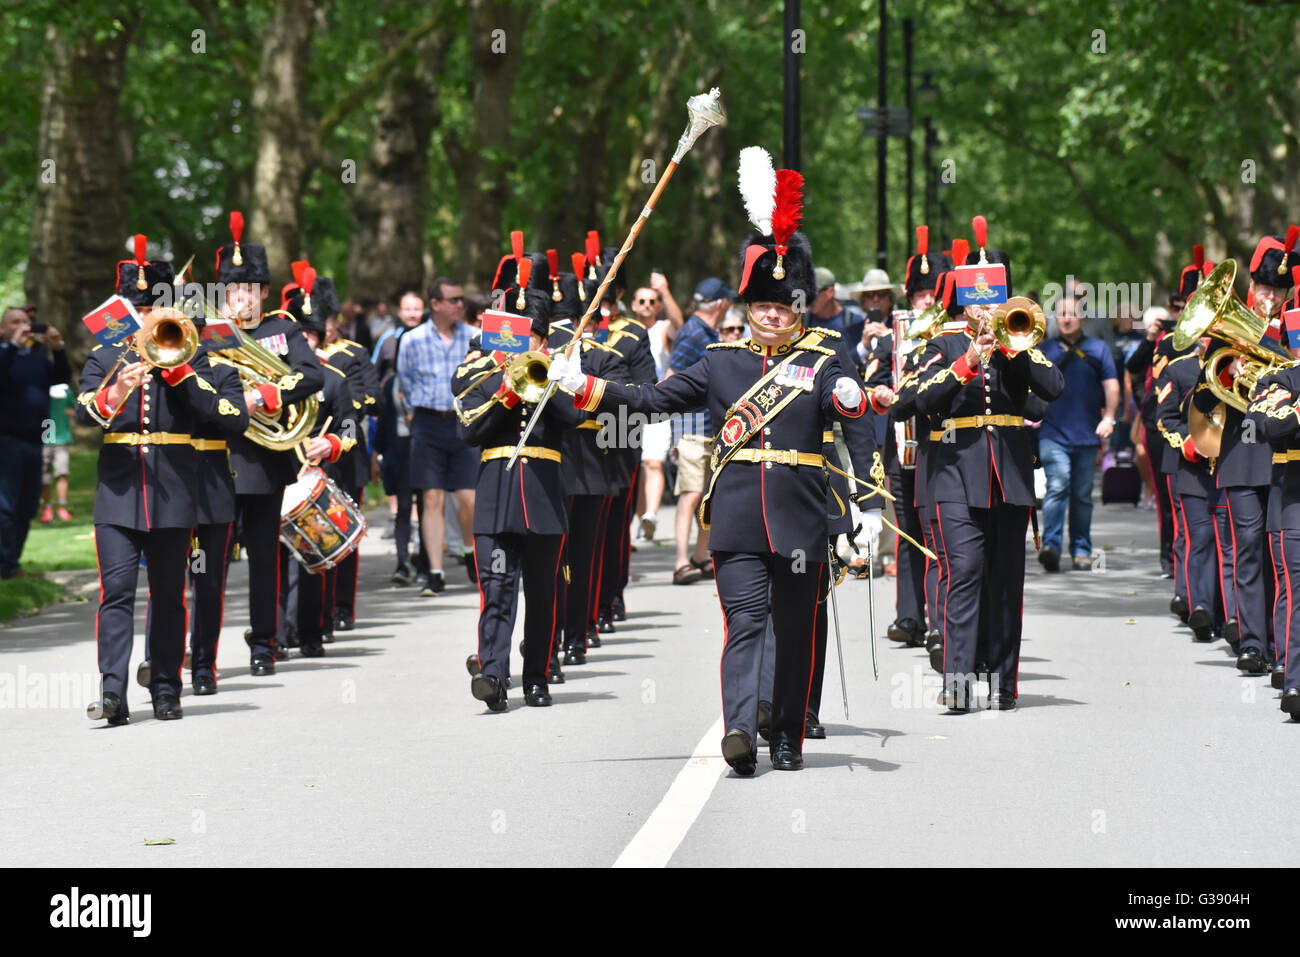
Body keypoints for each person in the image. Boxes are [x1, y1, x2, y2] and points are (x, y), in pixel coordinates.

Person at [548, 149, 871, 773]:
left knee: (797, 629)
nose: (772, 315)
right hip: (739, 517)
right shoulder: (721, 363)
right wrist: (583, 386)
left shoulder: (822, 359)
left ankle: (787, 737)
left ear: (797, 309)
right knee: (746, 621)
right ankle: (742, 732)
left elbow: (843, 401)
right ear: (750, 307)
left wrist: (850, 400)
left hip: (802, 516)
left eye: (782, 307)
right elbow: (650, 398)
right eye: (763, 306)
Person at [913, 215, 1065, 712]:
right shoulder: (942, 345)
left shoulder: (1021, 345)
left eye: (993, 299)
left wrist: (1010, 346)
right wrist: (967, 363)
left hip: (1009, 477)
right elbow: (913, 400)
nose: (985, 309)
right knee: (967, 569)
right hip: (956, 475)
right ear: (963, 300)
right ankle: (956, 682)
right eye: (977, 299)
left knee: (1007, 579)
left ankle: (1004, 683)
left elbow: (1053, 389)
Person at [78, 241, 226, 724]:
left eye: (153, 308)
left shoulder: (191, 353)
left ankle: (166, 688)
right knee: (116, 593)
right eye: (138, 309)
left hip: (174, 493)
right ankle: (113, 694)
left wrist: (177, 363)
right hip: (118, 494)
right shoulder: (105, 357)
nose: (145, 318)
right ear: (123, 310)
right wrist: (118, 388)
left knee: (168, 594)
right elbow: (85, 416)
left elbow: (210, 412)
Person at [456, 281, 585, 711]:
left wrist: (549, 377)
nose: (520, 343)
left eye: (529, 336)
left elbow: (575, 418)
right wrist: (505, 393)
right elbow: (470, 431)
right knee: (496, 589)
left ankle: (538, 676)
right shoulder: (476, 374)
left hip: (544, 498)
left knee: (544, 592)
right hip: (497, 497)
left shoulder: (556, 374)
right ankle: (493, 673)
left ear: (543, 340)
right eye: (513, 333)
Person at [216, 212, 326, 675]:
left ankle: (264, 643)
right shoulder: (203, 333)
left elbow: (313, 375)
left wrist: (265, 394)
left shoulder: (282, 331)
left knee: (264, 558)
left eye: (250, 289)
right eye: (234, 289)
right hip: (214, 461)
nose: (242, 296)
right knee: (207, 564)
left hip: (263, 460)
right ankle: (201, 652)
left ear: (263, 292)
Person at [1193, 230, 1297, 676]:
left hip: (1281, 457)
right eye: (1262, 288)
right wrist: (1220, 367)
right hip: (1240, 455)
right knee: (1248, 550)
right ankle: (1253, 642)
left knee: (1281, 555)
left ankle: (1284, 649)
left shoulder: (1294, 334)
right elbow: (1201, 401)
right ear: (1251, 289)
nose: (1269, 296)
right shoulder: (1228, 336)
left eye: (1277, 289)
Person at [396, 275, 478, 595]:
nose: (461, 305)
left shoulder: (474, 336)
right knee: (431, 498)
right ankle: (435, 571)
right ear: (435, 304)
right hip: (428, 422)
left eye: (462, 299)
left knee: (468, 498)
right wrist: (414, 415)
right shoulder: (412, 340)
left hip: (463, 422)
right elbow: (404, 382)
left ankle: (469, 550)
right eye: (454, 300)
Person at [1036, 289, 1119, 571]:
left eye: (1072, 314)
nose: (1067, 319)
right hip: (1052, 435)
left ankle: (1082, 550)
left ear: (1082, 316)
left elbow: (1112, 385)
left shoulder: (1098, 349)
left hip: (1087, 436)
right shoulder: (1043, 351)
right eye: (1061, 314)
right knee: (1057, 486)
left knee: (1082, 496)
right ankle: (1050, 546)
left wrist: (1109, 418)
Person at [667, 277, 735, 585]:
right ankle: (681, 561)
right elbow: (670, 381)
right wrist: (675, 434)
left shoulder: (707, 332)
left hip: (714, 429)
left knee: (711, 496)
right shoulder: (693, 333)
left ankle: (699, 556)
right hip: (693, 428)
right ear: (720, 304)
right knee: (692, 494)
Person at [0, 307, 70, 578]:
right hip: (6, 441)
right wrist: (12, 346)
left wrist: (58, 347)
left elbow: (62, 379)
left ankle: (11, 562)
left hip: (35, 440)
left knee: (27, 507)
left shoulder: (37, 358)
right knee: (5, 507)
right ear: (3, 329)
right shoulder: (4, 355)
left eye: (27, 322)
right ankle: (7, 565)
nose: (23, 327)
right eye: (15, 322)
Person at [630, 284, 670, 543]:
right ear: (633, 304)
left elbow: (679, 322)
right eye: (642, 300)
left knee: (653, 462)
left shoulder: (664, 328)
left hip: (658, 404)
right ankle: (637, 519)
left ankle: (651, 515)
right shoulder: (625, 330)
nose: (647, 305)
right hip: (629, 406)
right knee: (636, 467)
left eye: (652, 301)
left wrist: (665, 290)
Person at [39, 382, 75, 523]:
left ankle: (62, 507)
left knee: (62, 473)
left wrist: (68, 412)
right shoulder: (40, 388)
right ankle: (47, 508)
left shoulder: (66, 391)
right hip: (43, 439)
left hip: (61, 439)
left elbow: (77, 408)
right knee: (44, 476)